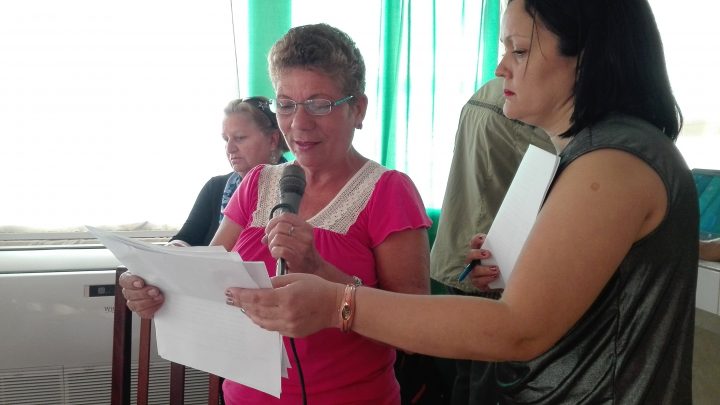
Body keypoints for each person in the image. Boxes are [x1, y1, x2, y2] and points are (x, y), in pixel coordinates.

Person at [226, 0, 699, 403]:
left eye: (519, 49)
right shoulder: (584, 156)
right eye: (287, 103)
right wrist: (509, 276)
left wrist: (337, 304)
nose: (501, 68)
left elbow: (519, 329)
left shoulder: (613, 162)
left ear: (589, 56)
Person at [121, 23, 431, 404]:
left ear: (358, 108)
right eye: (285, 105)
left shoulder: (389, 191)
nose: (299, 125)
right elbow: (209, 282)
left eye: (320, 104)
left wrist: (319, 268)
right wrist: (159, 291)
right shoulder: (256, 183)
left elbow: (416, 335)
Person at [429, 77, 553, 404]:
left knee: (468, 379)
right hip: (493, 261)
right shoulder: (534, 101)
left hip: (464, 252)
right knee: (489, 386)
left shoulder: (489, 89)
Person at [168, 97, 288, 247]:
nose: (230, 149)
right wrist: (174, 248)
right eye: (226, 139)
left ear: (272, 140)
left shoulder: (293, 191)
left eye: (239, 138)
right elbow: (186, 237)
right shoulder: (215, 187)